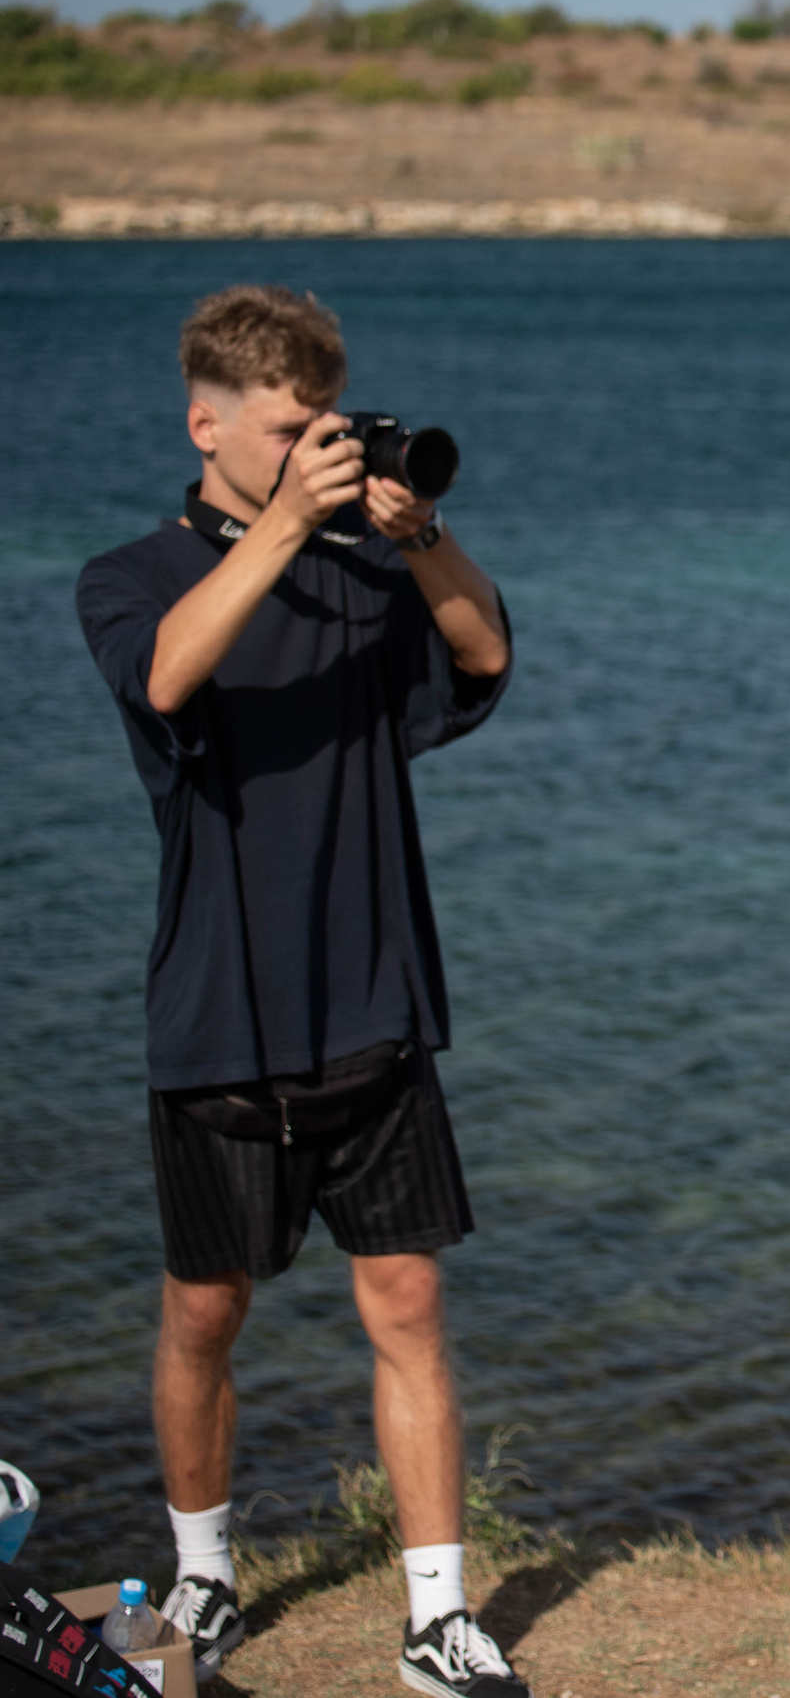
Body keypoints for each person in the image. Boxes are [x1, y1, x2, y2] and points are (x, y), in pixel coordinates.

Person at [76, 286, 531, 1698]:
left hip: (376, 1001)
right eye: (286, 431)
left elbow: (486, 653)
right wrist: (283, 528)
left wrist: (423, 536)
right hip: (221, 1016)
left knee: (406, 1304)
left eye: (321, 427)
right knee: (205, 1314)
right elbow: (166, 680)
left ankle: (439, 1617)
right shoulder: (131, 577)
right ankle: (205, 1579)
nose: (307, 452)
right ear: (206, 424)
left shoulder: (359, 572)